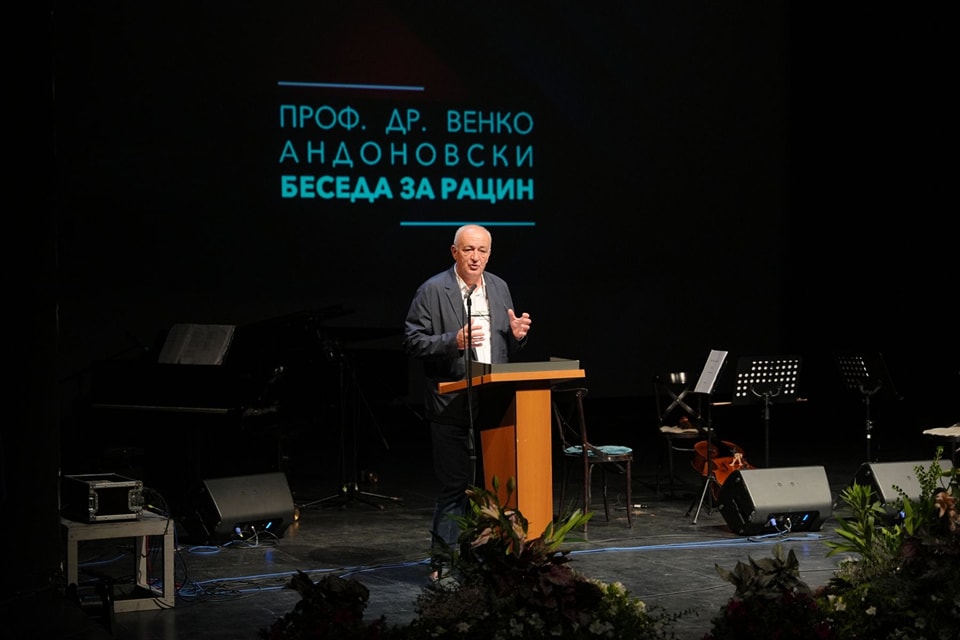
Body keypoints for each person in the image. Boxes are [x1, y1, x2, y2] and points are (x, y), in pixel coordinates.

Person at [403, 224, 532, 572]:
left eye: (482, 250)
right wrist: (452, 342)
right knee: (456, 487)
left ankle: (487, 561)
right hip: (451, 404)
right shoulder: (433, 290)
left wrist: (516, 336)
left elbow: (504, 346)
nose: (476, 257)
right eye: (469, 249)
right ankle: (444, 565)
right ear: (455, 252)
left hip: (494, 403)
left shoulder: (499, 287)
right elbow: (412, 342)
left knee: (495, 487)